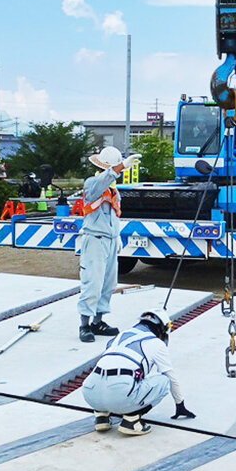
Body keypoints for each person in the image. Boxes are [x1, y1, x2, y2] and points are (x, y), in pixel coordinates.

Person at [81, 309, 195, 436]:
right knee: (163, 381)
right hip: (118, 393)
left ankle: (101, 416)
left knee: (110, 378)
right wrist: (180, 404)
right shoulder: (156, 343)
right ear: (162, 329)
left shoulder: (120, 336)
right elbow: (171, 377)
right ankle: (131, 420)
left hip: (90, 393)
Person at [77, 145, 140, 343]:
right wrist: (121, 166)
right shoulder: (94, 183)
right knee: (92, 283)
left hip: (110, 240)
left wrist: (117, 235)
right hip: (95, 240)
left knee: (108, 283)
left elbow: (113, 214)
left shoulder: (113, 190)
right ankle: (85, 325)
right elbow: (105, 179)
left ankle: (98, 322)